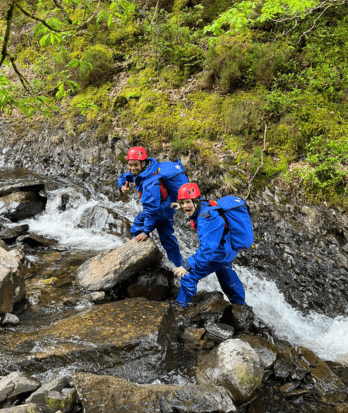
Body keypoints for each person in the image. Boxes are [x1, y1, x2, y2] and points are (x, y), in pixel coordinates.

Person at [173, 183, 246, 307]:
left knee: (189, 274)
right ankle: (241, 307)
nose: (185, 206)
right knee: (227, 278)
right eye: (182, 203)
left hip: (220, 252)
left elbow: (207, 249)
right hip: (226, 248)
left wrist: (187, 265)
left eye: (188, 202)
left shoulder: (206, 218)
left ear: (196, 201)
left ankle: (179, 309)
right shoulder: (204, 207)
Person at [118, 146, 184, 267]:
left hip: (160, 210)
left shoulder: (150, 183)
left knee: (138, 224)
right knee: (168, 239)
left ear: (143, 163)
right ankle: (180, 267)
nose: (132, 168)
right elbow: (123, 177)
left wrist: (146, 231)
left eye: (135, 165)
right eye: (130, 165)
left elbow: (151, 210)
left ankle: (136, 259)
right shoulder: (146, 170)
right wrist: (122, 186)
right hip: (168, 207)